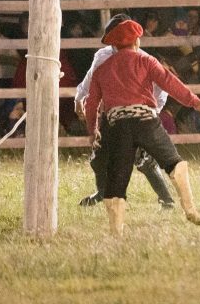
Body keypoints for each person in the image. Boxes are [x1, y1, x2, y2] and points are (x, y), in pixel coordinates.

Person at [84, 16, 200, 235]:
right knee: (174, 163)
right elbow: (171, 83)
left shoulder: (102, 70)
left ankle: (116, 231)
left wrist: (92, 130)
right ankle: (190, 208)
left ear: (115, 45)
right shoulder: (147, 61)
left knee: (117, 179)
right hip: (146, 120)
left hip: (117, 125)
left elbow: (91, 103)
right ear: (136, 42)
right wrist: (195, 101)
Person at [74, 15, 178, 211]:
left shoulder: (145, 60)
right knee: (98, 159)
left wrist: (148, 115)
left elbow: (162, 90)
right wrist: (79, 97)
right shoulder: (103, 56)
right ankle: (103, 192)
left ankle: (166, 199)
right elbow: (91, 79)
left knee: (143, 159)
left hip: (141, 115)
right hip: (112, 114)